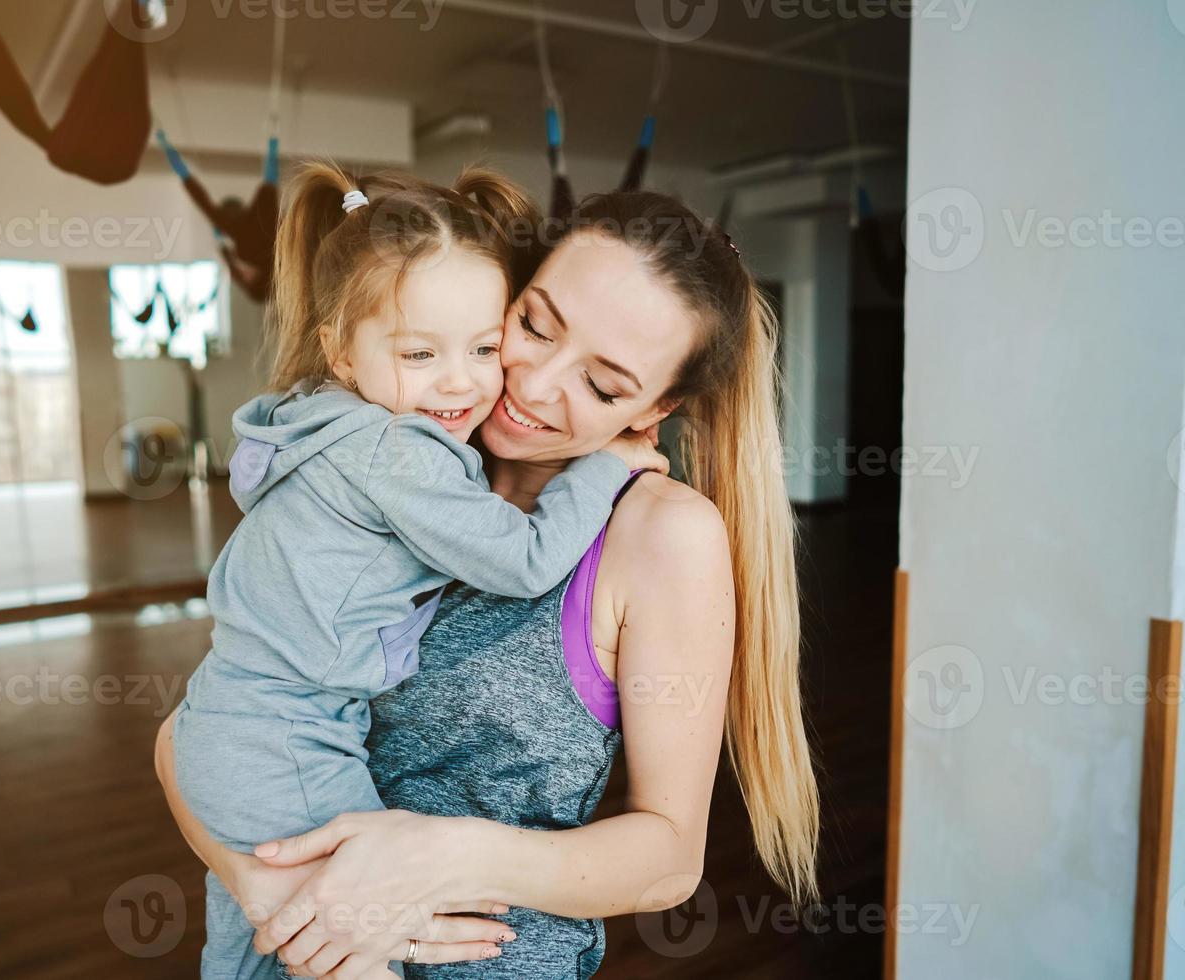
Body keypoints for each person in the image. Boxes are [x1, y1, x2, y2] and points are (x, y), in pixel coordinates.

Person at [155, 187, 820, 979]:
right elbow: (193, 729)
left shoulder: (661, 536)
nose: (535, 386)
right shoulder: (402, 455)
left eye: (603, 386)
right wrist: (264, 888)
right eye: (534, 325)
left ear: (658, 407)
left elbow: (668, 860)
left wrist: (438, 858)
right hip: (295, 935)